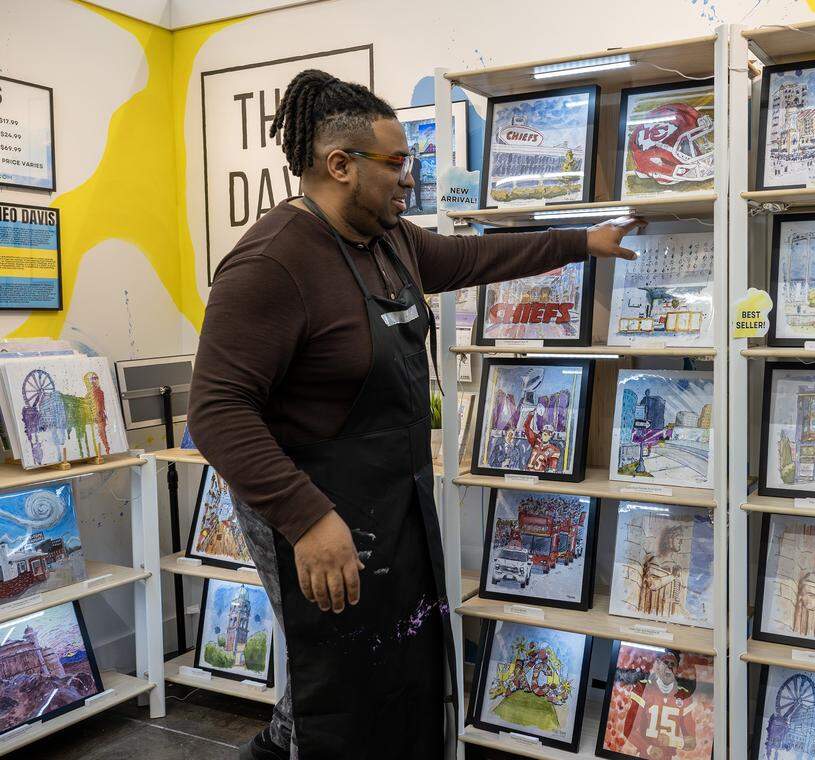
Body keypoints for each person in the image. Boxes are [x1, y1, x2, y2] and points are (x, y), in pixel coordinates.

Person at [189, 69, 645, 760]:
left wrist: (581, 242)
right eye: (398, 164)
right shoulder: (271, 263)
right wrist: (307, 519)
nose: (411, 178)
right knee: (333, 687)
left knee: (399, 669)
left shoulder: (390, 238)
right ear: (340, 165)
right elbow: (217, 411)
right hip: (314, 512)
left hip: (392, 500)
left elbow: (471, 256)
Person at [621, 649, 697, 760]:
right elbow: (629, 729)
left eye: (673, 664)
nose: (669, 667)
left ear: (676, 670)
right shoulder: (643, 689)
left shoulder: (683, 695)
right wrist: (648, 748)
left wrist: (671, 741)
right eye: (666, 663)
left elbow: (691, 742)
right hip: (645, 755)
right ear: (658, 666)